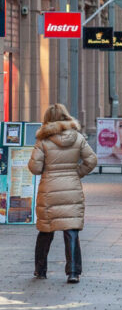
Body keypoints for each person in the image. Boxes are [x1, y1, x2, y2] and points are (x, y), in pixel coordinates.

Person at [28, 103, 98, 283]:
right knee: (71, 229)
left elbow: (35, 168)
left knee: (46, 230)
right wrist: (76, 173)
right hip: (71, 189)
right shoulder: (77, 137)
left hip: (49, 190)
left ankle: (40, 270)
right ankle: (73, 272)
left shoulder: (43, 140)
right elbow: (91, 160)